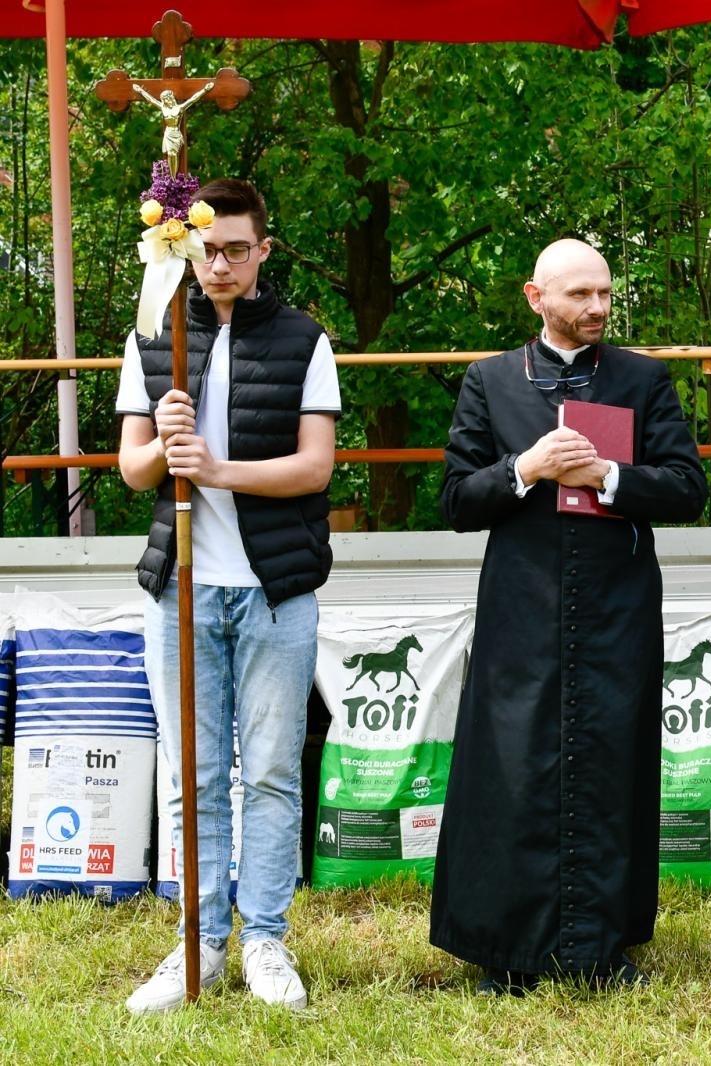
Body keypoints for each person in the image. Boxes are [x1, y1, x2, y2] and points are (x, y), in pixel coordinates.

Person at [430, 238, 707, 994]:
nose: (596, 308)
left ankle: (603, 948)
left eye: (605, 295)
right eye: (580, 294)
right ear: (536, 297)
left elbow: (688, 488)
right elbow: (456, 501)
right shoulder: (490, 383)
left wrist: (610, 476)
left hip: (617, 606)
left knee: (612, 768)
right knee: (510, 771)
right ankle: (505, 952)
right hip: (522, 606)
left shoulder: (641, 379)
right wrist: (528, 468)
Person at [117, 178, 340, 1013]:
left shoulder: (304, 340)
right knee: (193, 775)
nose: (220, 264)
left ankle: (265, 940)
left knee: (275, 772)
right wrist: (166, 441)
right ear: (183, 248)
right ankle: (198, 944)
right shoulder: (152, 335)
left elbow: (315, 466)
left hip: (274, 590)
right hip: (180, 589)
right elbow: (132, 467)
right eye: (207, 250)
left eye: (237, 250)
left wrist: (216, 468)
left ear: (263, 252)